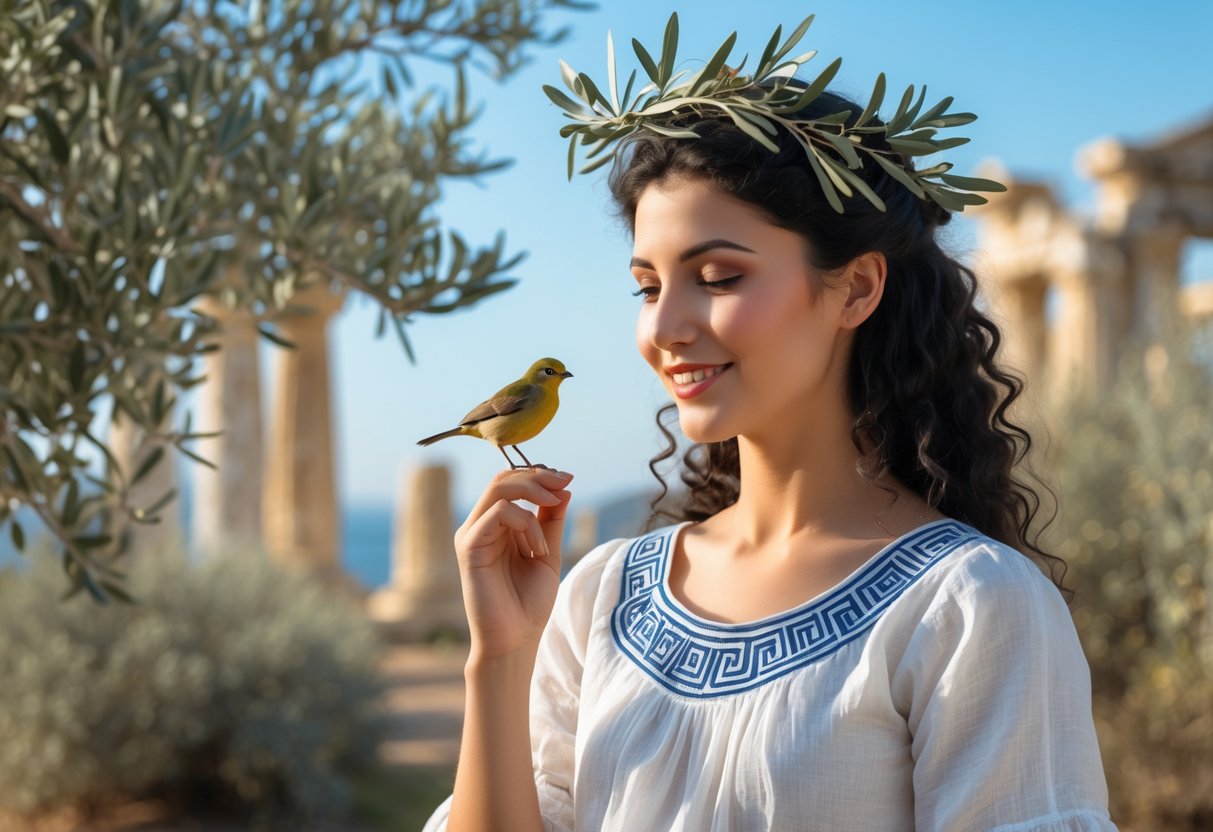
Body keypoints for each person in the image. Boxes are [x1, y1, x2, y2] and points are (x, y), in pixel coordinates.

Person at [422, 20, 1115, 832]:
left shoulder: (968, 608)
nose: (667, 326)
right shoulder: (600, 596)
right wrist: (502, 658)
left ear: (855, 288)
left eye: (718, 277)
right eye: (648, 287)